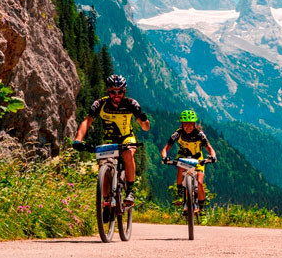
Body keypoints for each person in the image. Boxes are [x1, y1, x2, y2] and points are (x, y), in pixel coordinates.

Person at [74, 74, 150, 205]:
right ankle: (106, 201)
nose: (116, 95)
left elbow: (145, 127)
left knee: (128, 154)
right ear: (108, 91)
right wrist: (78, 139)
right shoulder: (100, 104)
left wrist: (144, 120)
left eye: (120, 91)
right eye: (113, 91)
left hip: (127, 138)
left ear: (124, 91)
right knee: (103, 167)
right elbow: (87, 121)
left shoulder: (131, 104)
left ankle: (130, 191)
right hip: (109, 140)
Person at [161, 110, 217, 212]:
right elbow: (166, 148)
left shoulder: (199, 134)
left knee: (199, 183)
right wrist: (164, 157)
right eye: (186, 124)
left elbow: (209, 148)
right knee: (180, 166)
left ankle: (201, 206)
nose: (188, 126)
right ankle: (180, 191)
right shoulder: (178, 133)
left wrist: (213, 156)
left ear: (194, 124)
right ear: (182, 124)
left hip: (197, 158)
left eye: (191, 124)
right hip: (183, 156)